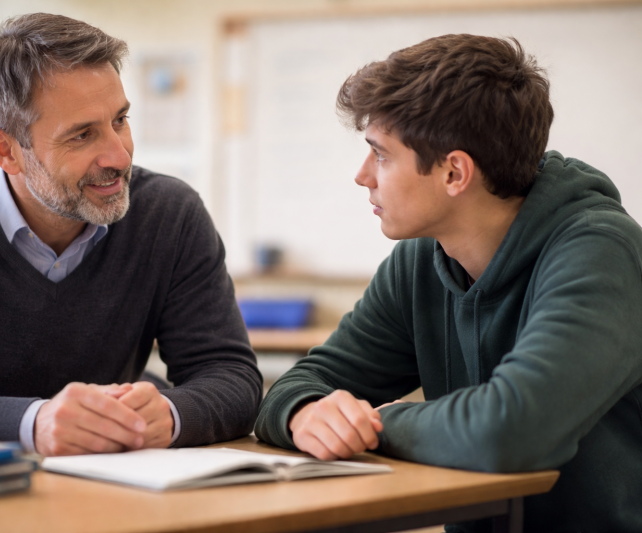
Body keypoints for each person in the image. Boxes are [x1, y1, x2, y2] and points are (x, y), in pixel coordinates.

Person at [255, 34, 642, 532]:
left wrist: (375, 423)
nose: (362, 176)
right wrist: (304, 412)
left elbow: (510, 432)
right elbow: (296, 386)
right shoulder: (420, 259)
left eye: (382, 155)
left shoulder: (600, 251)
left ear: (455, 172)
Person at [0, 13, 262, 457]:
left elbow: (231, 376)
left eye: (120, 119)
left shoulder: (170, 213)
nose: (120, 156)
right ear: (5, 150)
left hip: (117, 488)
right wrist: (33, 423)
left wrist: (171, 415)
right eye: (83, 135)